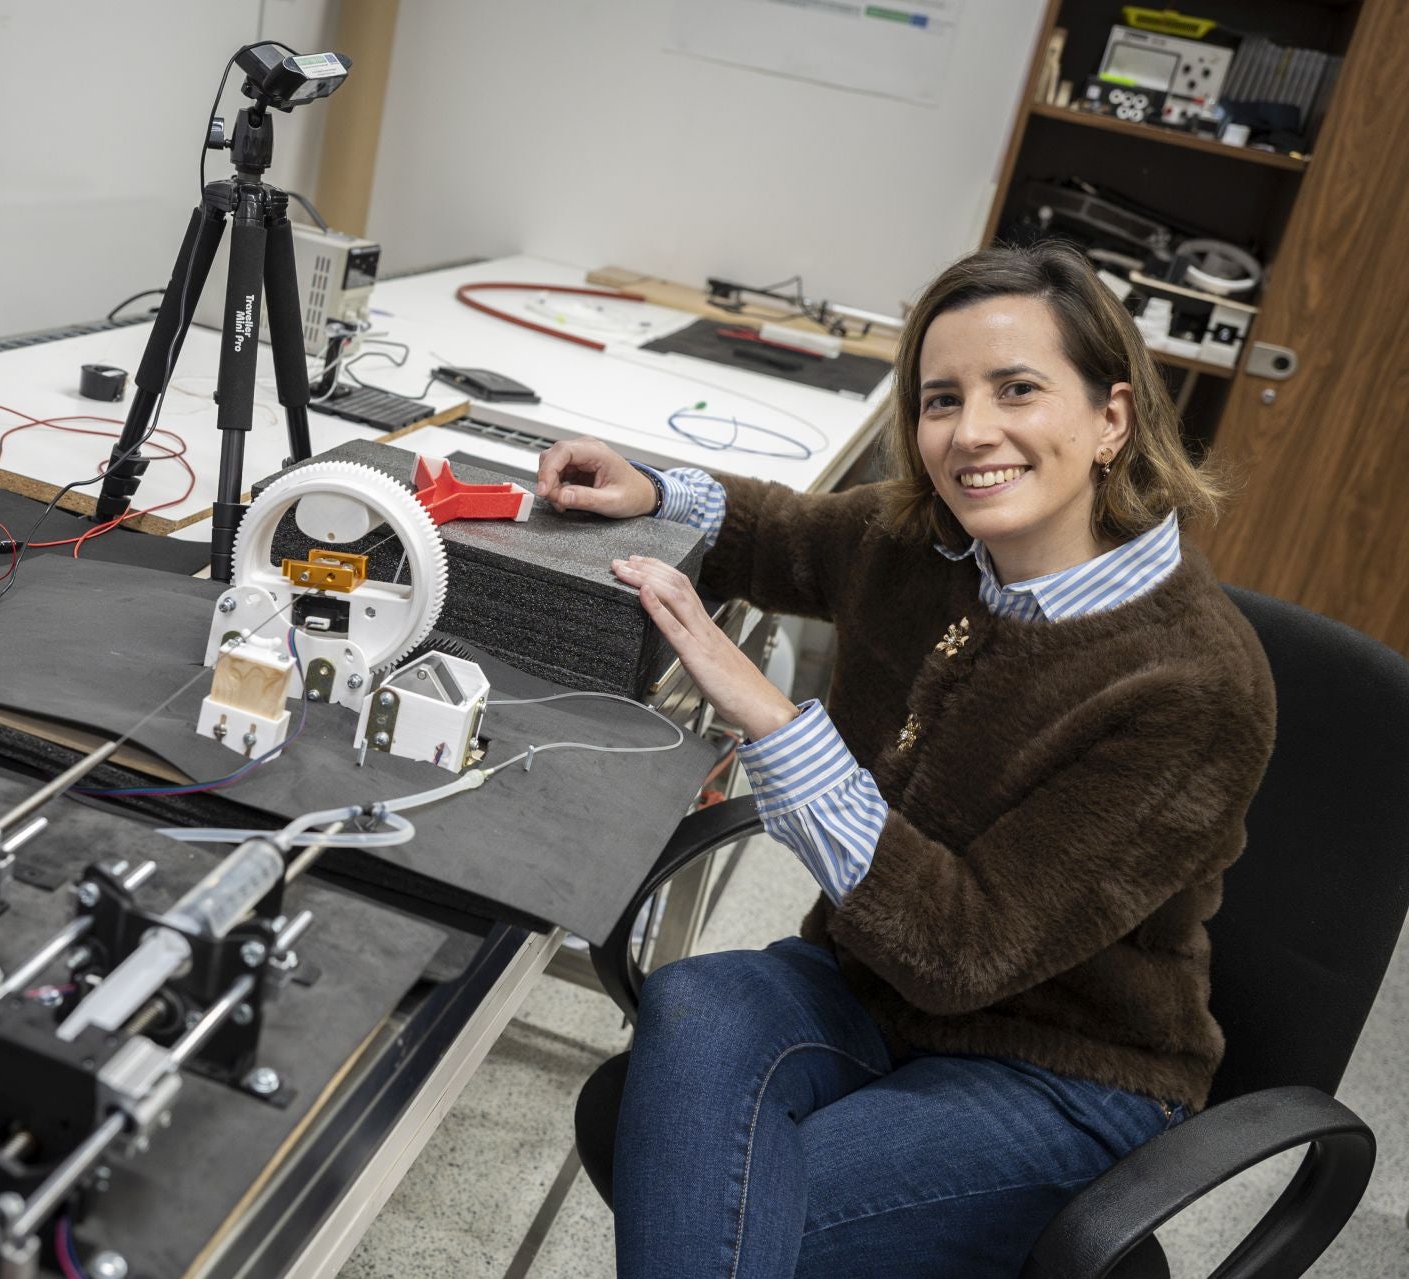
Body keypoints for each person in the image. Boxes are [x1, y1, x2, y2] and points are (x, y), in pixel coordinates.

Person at [535, 242, 1276, 1278]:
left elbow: (962, 948)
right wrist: (652, 487)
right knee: (694, 1003)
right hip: (866, 990)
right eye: (941, 400)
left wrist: (775, 723)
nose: (971, 433)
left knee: (743, 1223)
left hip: (1057, 1065)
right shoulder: (934, 543)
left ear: (1113, 417)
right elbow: (784, 533)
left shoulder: (1194, 685)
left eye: (1017, 389)